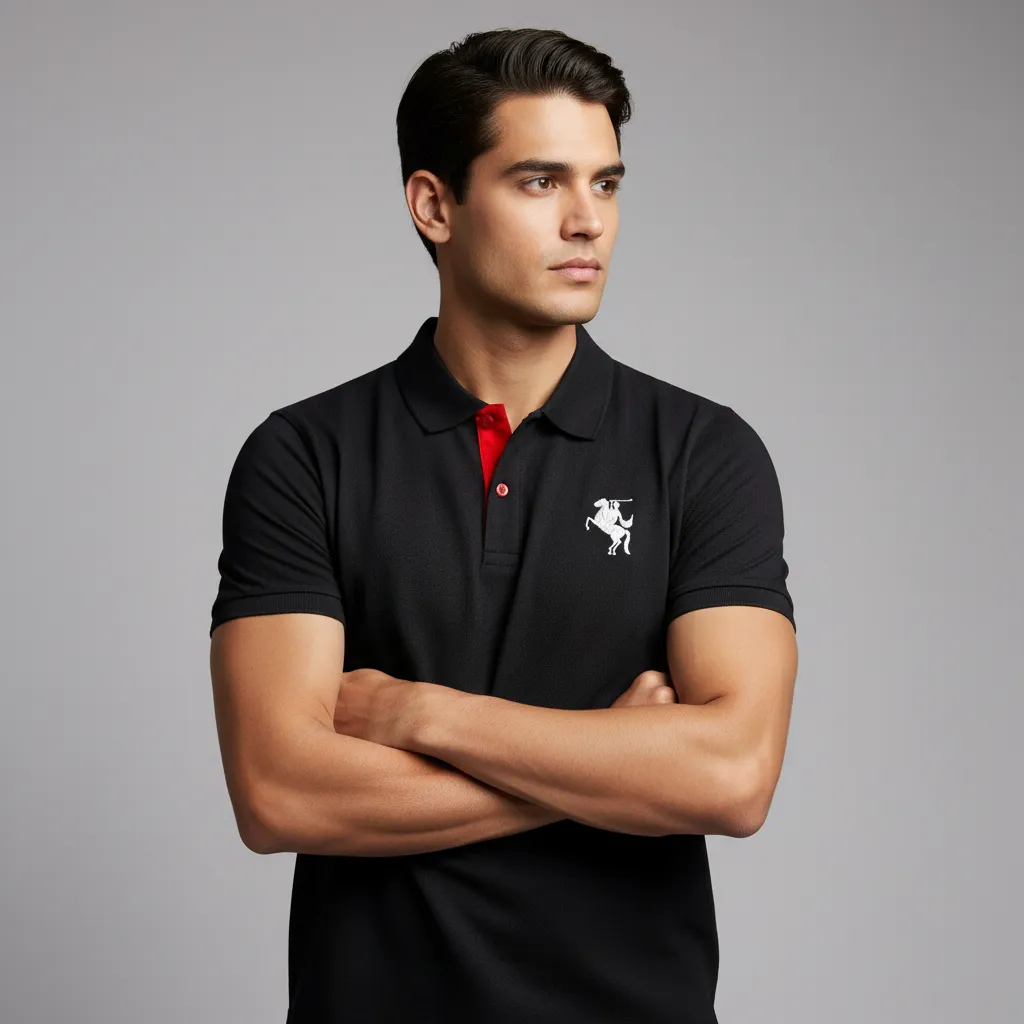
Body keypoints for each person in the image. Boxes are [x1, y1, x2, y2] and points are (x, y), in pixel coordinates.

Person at [209, 26, 798, 1024]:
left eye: (605, 183)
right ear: (434, 205)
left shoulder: (704, 452)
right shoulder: (304, 455)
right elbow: (280, 793)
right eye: (539, 182)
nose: (587, 221)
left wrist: (421, 715)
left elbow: (731, 776)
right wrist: (613, 763)